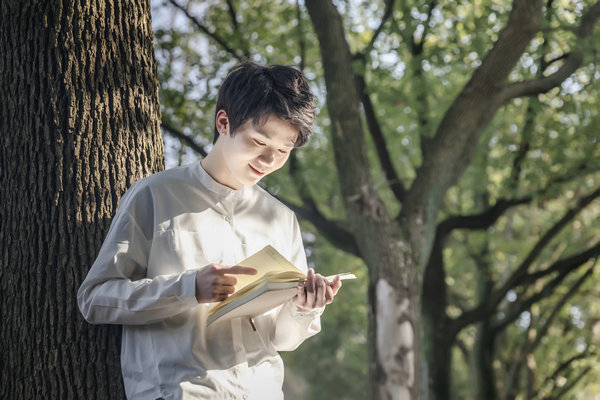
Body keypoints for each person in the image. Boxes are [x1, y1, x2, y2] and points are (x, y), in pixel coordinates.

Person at [77, 61, 342, 400]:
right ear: (223, 122)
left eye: (282, 151)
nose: (268, 160)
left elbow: (281, 339)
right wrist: (189, 288)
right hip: (179, 391)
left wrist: (304, 308)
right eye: (259, 141)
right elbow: (96, 299)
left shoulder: (280, 218)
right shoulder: (155, 195)